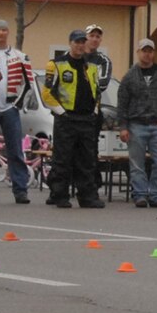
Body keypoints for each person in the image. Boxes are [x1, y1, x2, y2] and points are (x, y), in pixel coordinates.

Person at [41, 29, 105, 208]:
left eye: (82, 42)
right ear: (70, 43)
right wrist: (62, 113)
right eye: (77, 42)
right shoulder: (57, 64)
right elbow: (47, 93)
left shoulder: (91, 66)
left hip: (86, 119)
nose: (80, 45)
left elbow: (96, 92)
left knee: (87, 160)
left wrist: (94, 111)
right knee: (63, 158)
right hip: (67, 118)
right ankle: (60, 194)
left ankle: (87, 196)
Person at [0, 19, 36, 204]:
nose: (1, 33)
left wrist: (18, 105)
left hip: (10, 108)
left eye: (4, 30)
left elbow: (29, 84)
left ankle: (20, 189)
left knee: (16, 150)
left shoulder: (20, 56)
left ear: (8, 32)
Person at [118, 39, 157, 207]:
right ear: (138, 52)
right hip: (136, 125)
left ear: (154, 53)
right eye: (144, 50)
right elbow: (122, 103)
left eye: (150, 51)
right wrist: (123, 127)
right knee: (137, 163)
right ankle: (140, 194)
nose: (147, 54)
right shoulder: (129, 76)